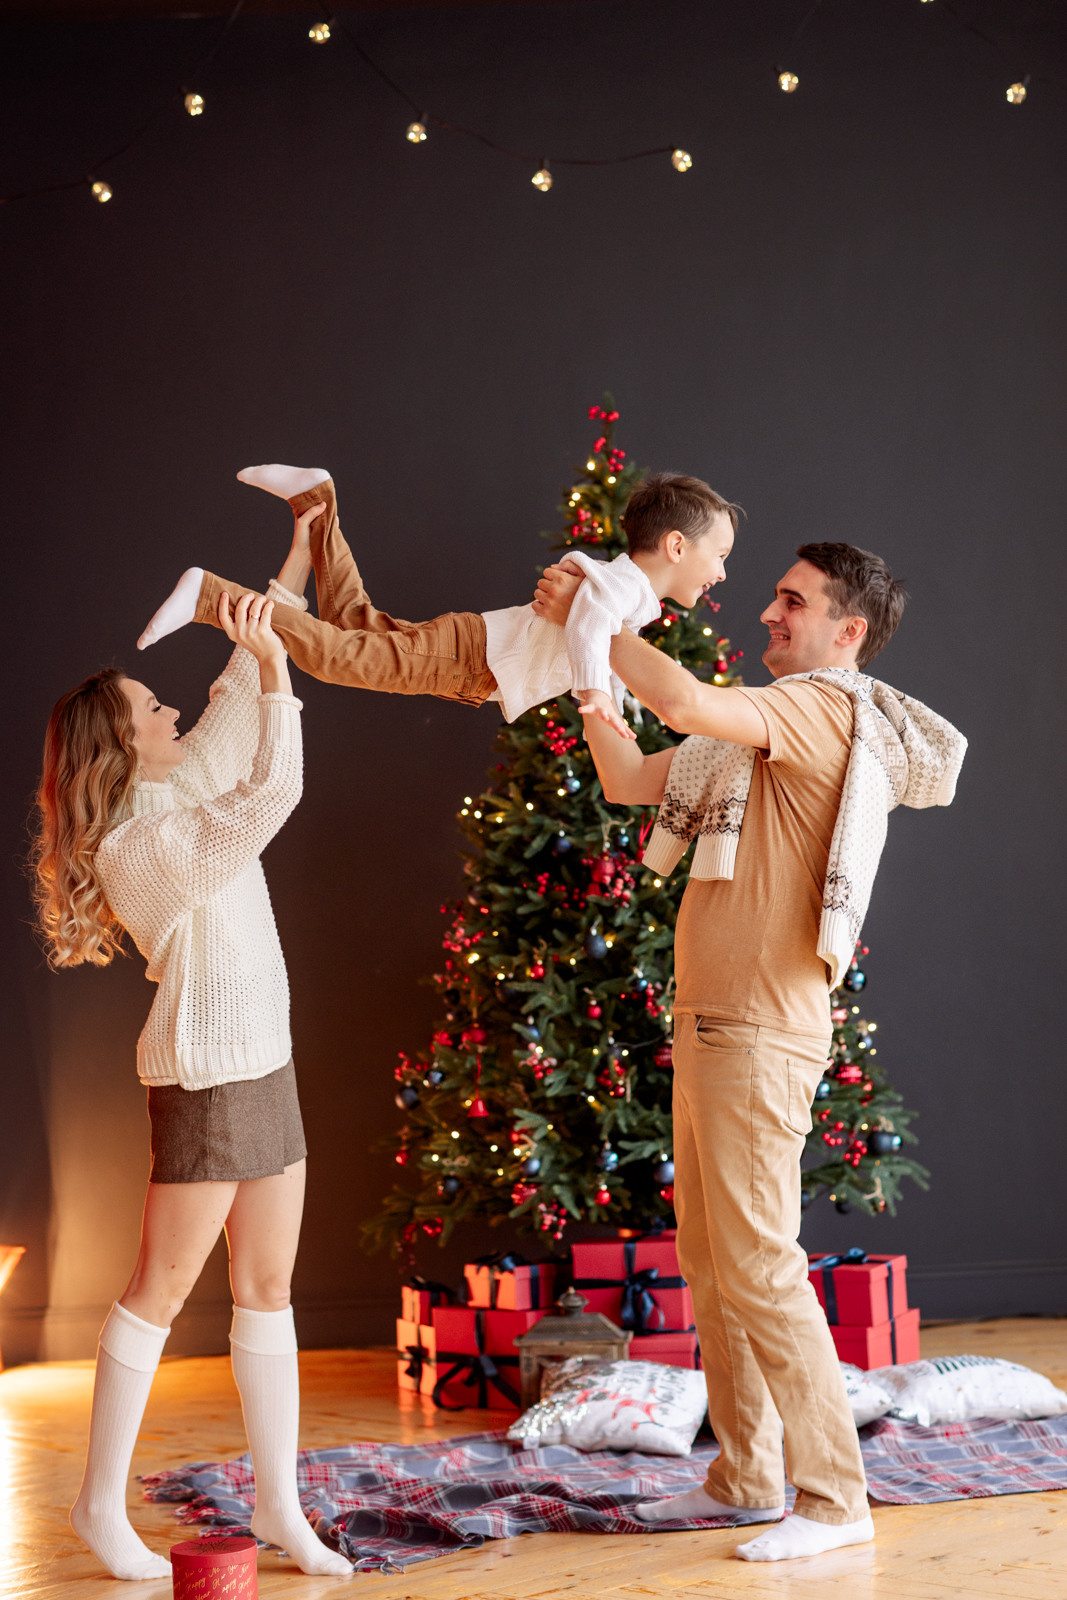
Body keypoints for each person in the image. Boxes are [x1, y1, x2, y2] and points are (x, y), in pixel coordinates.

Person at [533, 543, 966, 1563]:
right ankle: (741, 1477)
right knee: (714, 1265)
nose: (767, 612)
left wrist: (600, 619)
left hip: (763, 1028)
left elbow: (679, 699)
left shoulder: (821, 709)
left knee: (760, 1265)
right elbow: (634, 772)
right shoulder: (749, 741)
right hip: (713, 1022)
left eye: (791, 600)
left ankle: (831, 1497)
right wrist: (588, 674)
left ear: (844, 632)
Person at [31, 518, 353, 1582]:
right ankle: (95, 1503)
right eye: (149, 710)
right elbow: (274, 791)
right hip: (206, 1076)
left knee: (269, 1286)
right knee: (157, 1289)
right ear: (122, 747)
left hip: (268, 1057)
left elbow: (231, 690)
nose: (169, 711)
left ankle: (279, 1511)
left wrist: (301, 554)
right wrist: (275, 668)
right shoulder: (141, 847)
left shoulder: (169, 787)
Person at [134, 465, 737, 737]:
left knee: (351, 623)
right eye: (720, 556)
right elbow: (590, 634)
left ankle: (316, 501)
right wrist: (595, 696)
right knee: (336, 657)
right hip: (472, 657)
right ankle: (212, 595)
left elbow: (609, 649)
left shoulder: (630, 591)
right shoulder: (625, 586)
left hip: (472, 657)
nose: (724, 573)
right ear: (677, 546)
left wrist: (621, 705)